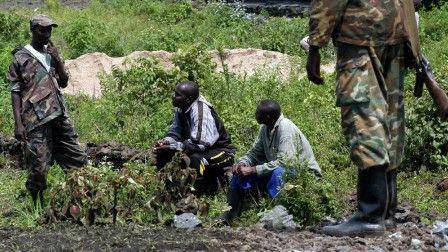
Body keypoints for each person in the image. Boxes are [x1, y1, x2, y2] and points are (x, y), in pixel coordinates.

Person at [306, 0, 409, 237]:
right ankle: (386, 212)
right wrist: (413, 44)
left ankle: (370, 215)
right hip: (395, 34)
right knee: (390, 119)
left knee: (365, 118)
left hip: (359, 37)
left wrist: (315, 46)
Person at [7, 15, 87, 207]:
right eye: (42, 30)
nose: (46, 34)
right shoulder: (20, 58)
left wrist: (58, 60)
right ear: (33, 30)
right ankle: (37, 207)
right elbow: (15, 93)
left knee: (76, 158)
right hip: (35, 119)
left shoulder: (51, 54)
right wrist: (18, 124)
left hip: (59, 115)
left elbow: (64, 82)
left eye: (49, 30)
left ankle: (78, 203)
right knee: (38, 167)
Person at [219, 100, 321, 222]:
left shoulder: (285, 128)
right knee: (239, 174)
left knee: (278, 173)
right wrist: (242, 163)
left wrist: (253, 169)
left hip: (304, 173)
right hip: (279, 168)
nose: (255, 114)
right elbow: (255, 153)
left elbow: (285, 162)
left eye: (258, 112)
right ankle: (229, 215)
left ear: (267, 117)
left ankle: (278, 216)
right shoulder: (265, 128)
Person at [153, 80, 235, 195]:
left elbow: (199, 144)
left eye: (177, 94)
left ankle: (199, 191)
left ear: (187, 99)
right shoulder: (181, 108)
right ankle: (165, 189)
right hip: (197, 147)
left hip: (221, 151)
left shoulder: (201, 111)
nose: (173, 96)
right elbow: (175, 132)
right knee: (162, 152)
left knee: (195, 158)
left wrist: (172, 146)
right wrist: (165, 142)